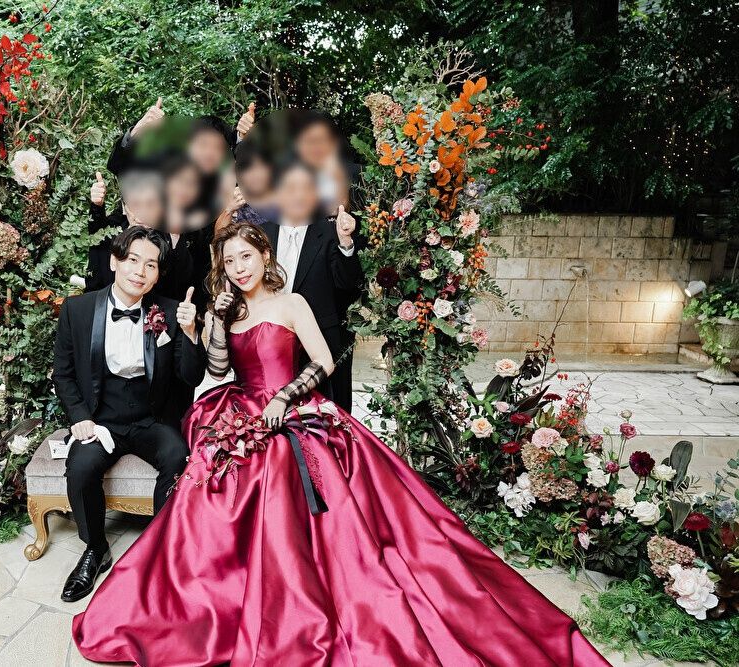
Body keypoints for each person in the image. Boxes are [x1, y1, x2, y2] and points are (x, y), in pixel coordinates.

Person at [70, 221, 611, 666]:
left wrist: (286, 398)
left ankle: (303, 589)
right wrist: (214, 322)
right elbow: (216, 369)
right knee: (211, 473)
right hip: (242, 406)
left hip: (295, 407)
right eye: (229, 261)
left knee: (292, 475)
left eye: (245, 257)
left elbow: (324, 361)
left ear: (263, 255)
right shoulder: (230, 309)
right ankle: (206, 593)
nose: (238, 268)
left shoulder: (292, 303)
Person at [52, 225, 206, 603]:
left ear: (157, 274)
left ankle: (158, 547)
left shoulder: (169, 311)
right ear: (114, 262)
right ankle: (95, 548)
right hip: (101, 418)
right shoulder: (78, 310)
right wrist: (79, 417)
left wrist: (190, 332)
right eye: (133, 260)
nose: (140, 271)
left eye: (150, 265)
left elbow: (191, 377)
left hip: (150, 417)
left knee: (178, 456)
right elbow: (64, 374)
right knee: (81, 466)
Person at [260, 160, 364, 410]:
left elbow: (348, 284)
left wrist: (346, 243)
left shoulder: (330, 232)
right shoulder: (260, 234)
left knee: (326, 415)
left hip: (321, 342)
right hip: (270, 341)